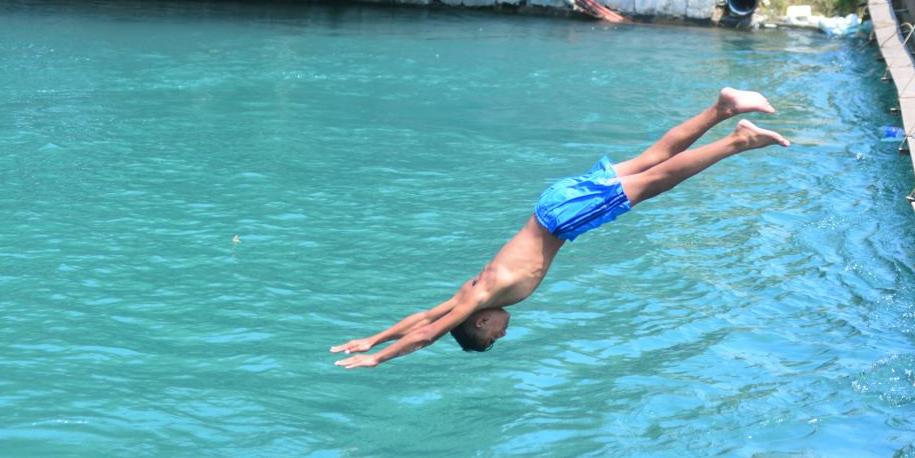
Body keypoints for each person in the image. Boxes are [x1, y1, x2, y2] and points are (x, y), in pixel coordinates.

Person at [330, 88, 791, 367]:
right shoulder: (471, 293)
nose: (502, 335)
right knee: (651, 160)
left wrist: (378, 356)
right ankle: (723, 107)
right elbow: (423, 317)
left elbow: (428, 333)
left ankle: (738, 139)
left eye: (491, 337)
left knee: (656, 180)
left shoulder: (478, 298)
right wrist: (373, 335)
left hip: (562, 220)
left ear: (481, 322)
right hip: (553, 202)